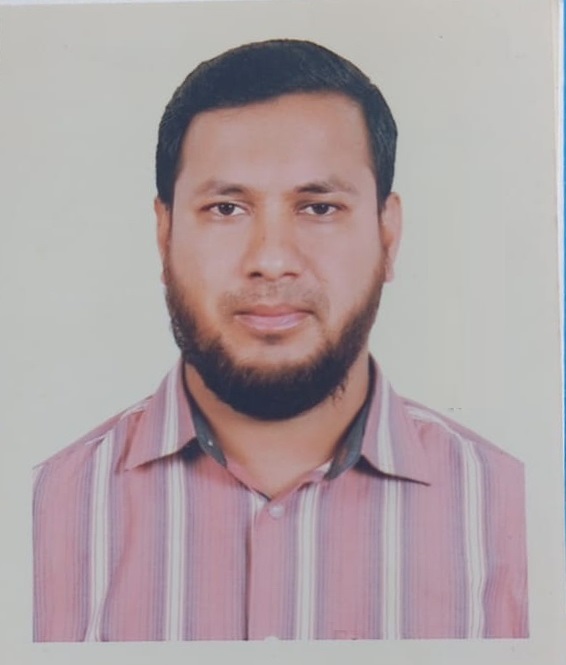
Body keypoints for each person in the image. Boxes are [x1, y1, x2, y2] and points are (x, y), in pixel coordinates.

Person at [33, 39, 528, 642]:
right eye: (226, 209)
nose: (271, 259)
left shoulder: (518, 520)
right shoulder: (38, 517)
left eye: (319, 208)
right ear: (164, 236)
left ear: (388, 235)